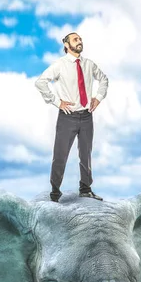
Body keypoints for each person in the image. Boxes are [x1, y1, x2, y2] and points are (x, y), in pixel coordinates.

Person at [34, 31, 109, 202]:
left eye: (80, 39)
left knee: (86, 154)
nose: (79, 41)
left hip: (86, 116)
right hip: (67, 117)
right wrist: (55, 101)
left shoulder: (89, 65)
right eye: (75, 39)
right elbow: (40, 82)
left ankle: (86, 189)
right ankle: (55, 193)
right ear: (67, 45)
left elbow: (103, 79)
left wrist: (98, 97)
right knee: (60, 155)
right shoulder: (59, 65)